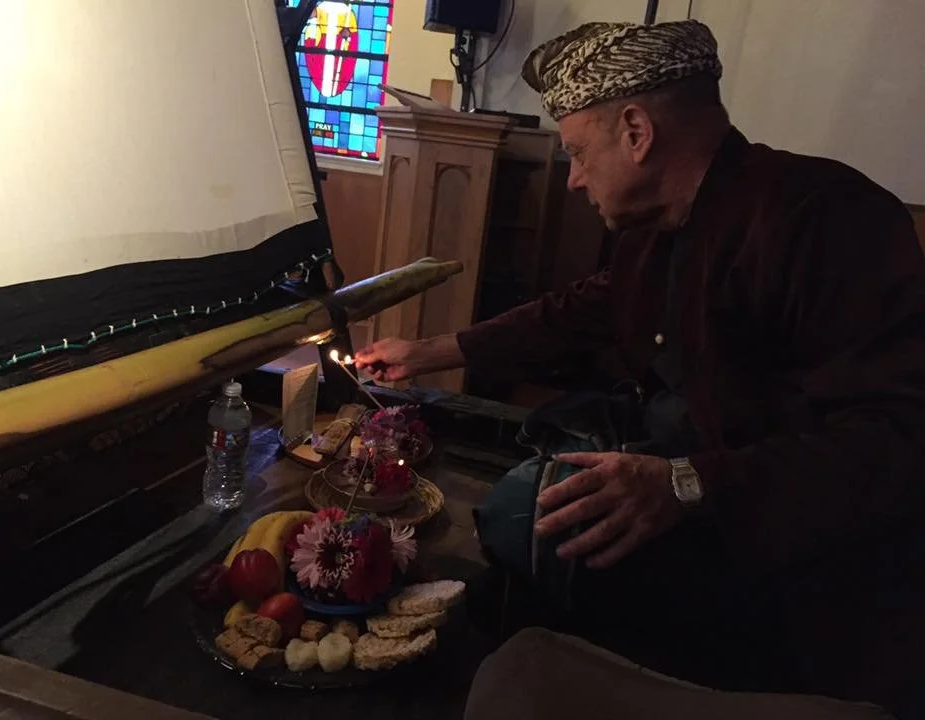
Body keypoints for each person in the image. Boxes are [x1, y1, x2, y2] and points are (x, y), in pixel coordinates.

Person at [356, 20, 925, 718]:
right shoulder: (656, 228)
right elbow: (578, 312)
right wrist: (430, 353)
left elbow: (898, 443)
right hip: (688, 497)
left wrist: (686, 484)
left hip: (794, 579)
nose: (574, 181)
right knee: (514, 517)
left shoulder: (825, 216)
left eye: (578, 153)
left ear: (635, 130)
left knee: (515, 523)